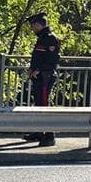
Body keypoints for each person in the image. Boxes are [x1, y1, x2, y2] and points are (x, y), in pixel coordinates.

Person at [23, 11, 61, 147]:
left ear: (39, 24)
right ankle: (39, 132)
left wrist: (38, 70)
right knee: (38, 104)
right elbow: (39, 57)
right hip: (39, 76)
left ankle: (50, 136)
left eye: (33, 25)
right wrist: (32, 69)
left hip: (45, 77)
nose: (32, 28)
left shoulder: (50, 38)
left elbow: (52, 60)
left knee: (44, 105)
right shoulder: (42, 37)